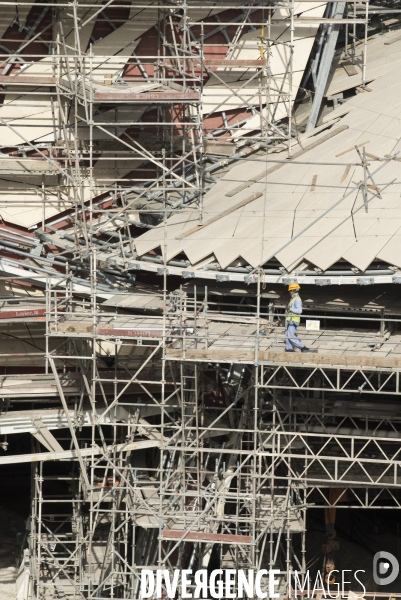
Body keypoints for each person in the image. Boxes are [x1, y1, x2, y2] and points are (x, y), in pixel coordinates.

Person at [285, 283, 315, 353]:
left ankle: (302, 347)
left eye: (291, 290)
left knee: (290, 334)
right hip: (290, 319)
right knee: (287, 334)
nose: (289, 292)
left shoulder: (297, 299)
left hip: (294, 320)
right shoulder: (292, 298)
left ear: (295, 290)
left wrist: (290, 309)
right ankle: (289, 349)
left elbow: (299, 311)